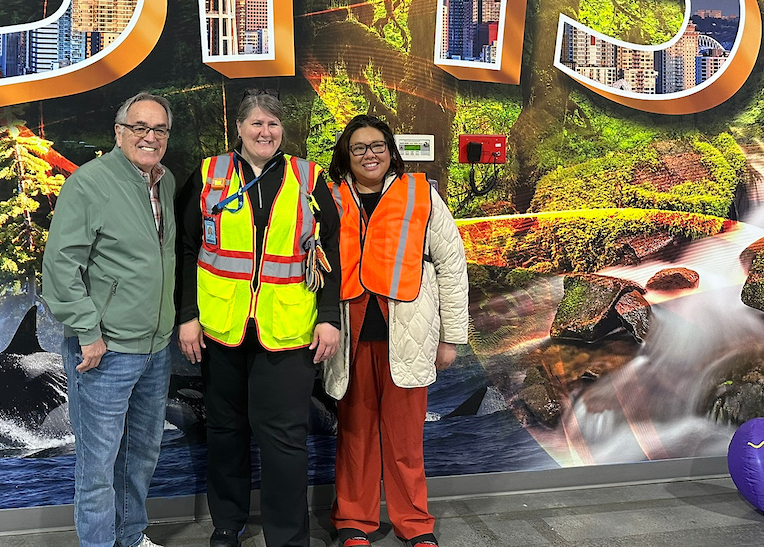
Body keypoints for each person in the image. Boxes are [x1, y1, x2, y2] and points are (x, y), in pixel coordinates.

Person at [176, 89, 341, 547]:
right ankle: (227, 525)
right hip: (220, 329)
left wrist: (329, 318)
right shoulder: (209, 175)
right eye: (256, 123)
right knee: (225, 430)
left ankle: (287, 538)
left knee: (285, 439)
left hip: (287, 331)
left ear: (282, 131)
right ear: (240, 129)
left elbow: (335, 251)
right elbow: (187, 249)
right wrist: (187, 315)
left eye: (273, 124)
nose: (265, 132)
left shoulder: (309, 179)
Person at [322, 115, 469, 547]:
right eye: (359, 148)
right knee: (354, 437)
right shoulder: (327, 198)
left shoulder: (421, 194)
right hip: (348, 336)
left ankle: (416, 525)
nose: (370, 155)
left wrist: (451, 337)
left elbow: (452, 266)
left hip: (409, 337)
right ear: (345, 157)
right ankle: (353, 522)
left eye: (378, 146)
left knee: (406, 441)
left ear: (391, 150)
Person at [43, 92, 177, 547]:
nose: (150, 137)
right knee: (98, 466)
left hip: (155, 349)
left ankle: (132, 536)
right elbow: (61, 265)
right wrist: (87, 332)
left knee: (141, 455)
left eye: (159, 129)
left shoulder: (166, 181)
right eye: (139, 127)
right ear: (119, 132)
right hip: (106, 350)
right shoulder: (89, 183)